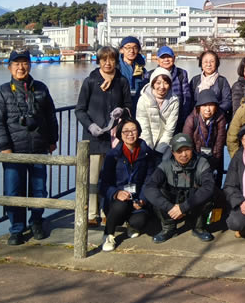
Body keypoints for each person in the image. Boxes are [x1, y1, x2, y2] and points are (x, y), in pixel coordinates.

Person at [0, 50, 59, 245]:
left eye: (25, 63)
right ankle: (16, 229)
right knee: (13, 191)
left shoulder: (41, 89)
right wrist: (6, 147)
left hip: (38, 147)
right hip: (13, 150)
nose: (21, 67)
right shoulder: (1, 92)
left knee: (39, 189)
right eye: (16, 64)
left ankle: (36, 221)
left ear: (30, 65)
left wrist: (53, 139)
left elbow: (51, 116)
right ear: (9, 67)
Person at [76, 45, 133, 225]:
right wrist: (90, 125)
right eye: (104, 59)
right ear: (99, 61)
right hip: (93, 138)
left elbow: (129, 106)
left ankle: (107, 210)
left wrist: (122, 111)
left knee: (111, 176)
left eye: (111, 59)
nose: (108, 63)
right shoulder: (90, 81)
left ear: (116, 61)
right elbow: (80, 110)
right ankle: (92, 213)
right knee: (92, 177)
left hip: (114, 139)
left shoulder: (122, 81)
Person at [143, 133, 216, 243]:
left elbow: (209, 187)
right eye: (179, 151)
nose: (184, 154)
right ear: (172, 152)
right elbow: (149, 187)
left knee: (209, 195)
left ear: (192, 149)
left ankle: (199, 227)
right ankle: (168, 228)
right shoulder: (165, 164)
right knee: (158, 192)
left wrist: (183, 207)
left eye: (187, 149)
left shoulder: (202, 163)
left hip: (192, 203)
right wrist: (170, 207)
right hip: (172, 206)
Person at [98, 118, 158, 252]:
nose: (130, 134)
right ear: (120, 134)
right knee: (120, 205)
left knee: (140, 221)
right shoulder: (112, 155)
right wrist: (116, 193)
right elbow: (103, 184)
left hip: (136, 200)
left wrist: (142, 199)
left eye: (133, 130)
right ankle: (108, 234)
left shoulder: (147, 154)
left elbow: (149, 181)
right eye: (125, 131)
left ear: (139, 132)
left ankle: (131, 225)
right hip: (117, 201)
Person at [182, 88, 227, 186]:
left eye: (211, 105)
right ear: (199, 107)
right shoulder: (191, 119)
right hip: (194, 158)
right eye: (204, 105)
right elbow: (186, 145)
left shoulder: (220, 118)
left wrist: (212, 163)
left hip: (213, 157)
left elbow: (219, 144)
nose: (208, 109)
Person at [136, 67, 179, 157]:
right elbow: (143, 126)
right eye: (158, 83)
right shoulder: (143, 99)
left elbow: (170, 129)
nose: (162, 87)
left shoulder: (174, 101)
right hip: (146, 142)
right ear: (152, 84)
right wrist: (149, 148)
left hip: (164, 144)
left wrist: (160, 150)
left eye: (166, 83)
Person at [153, 46, 193, 130]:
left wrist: (183, 117)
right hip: (158, 119)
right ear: (158, 60)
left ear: (174, 58)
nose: (166, 60)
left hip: (178, 117)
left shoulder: (181, 73)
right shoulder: (151, 75)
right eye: (163, 57)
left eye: (169, 57)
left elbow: (186, 97)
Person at [189, 51, 233, 120]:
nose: (209, 64)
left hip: (217, 118)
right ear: (201, 64)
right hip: (197, 118)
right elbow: (190, 100)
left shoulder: (222, 81)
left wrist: (214, 111)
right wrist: (198, 111)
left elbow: (227, 101)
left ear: (216, 63)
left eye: (212, 61)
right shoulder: (195, 80)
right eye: (205, 62)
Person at [118, 36, 147, 107]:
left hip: (137, 106)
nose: (132, 51)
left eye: (135, 47)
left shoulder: (142, 69)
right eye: (128, 47)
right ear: (121, 50)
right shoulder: (115, 67)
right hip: (119, 106)